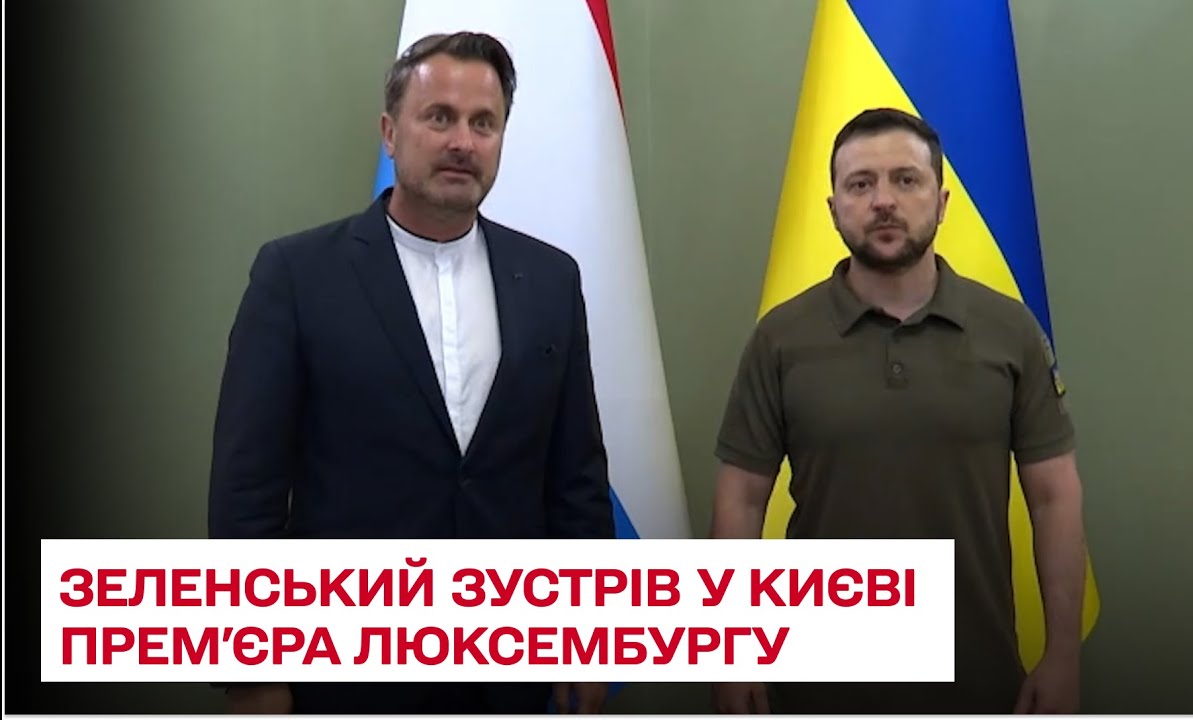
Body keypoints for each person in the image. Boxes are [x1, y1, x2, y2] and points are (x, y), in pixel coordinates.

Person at [208, 31, 612, 715]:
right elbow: (247, 491)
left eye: (483, 123)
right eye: (440, 117)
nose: (462, 142)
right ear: (390, 133)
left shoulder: (550, 279)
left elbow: (576, 479)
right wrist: (254, 670)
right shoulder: (297, 276)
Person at [709, 108, 1086, 714]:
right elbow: (741, 500)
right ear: (834, 209)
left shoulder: (1010, 330)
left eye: (906, 180)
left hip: (978, 680)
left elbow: (1053, 495)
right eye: (861, 184)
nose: (883, 200)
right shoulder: (780, 338)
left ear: (942, 201)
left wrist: (1063, 653)